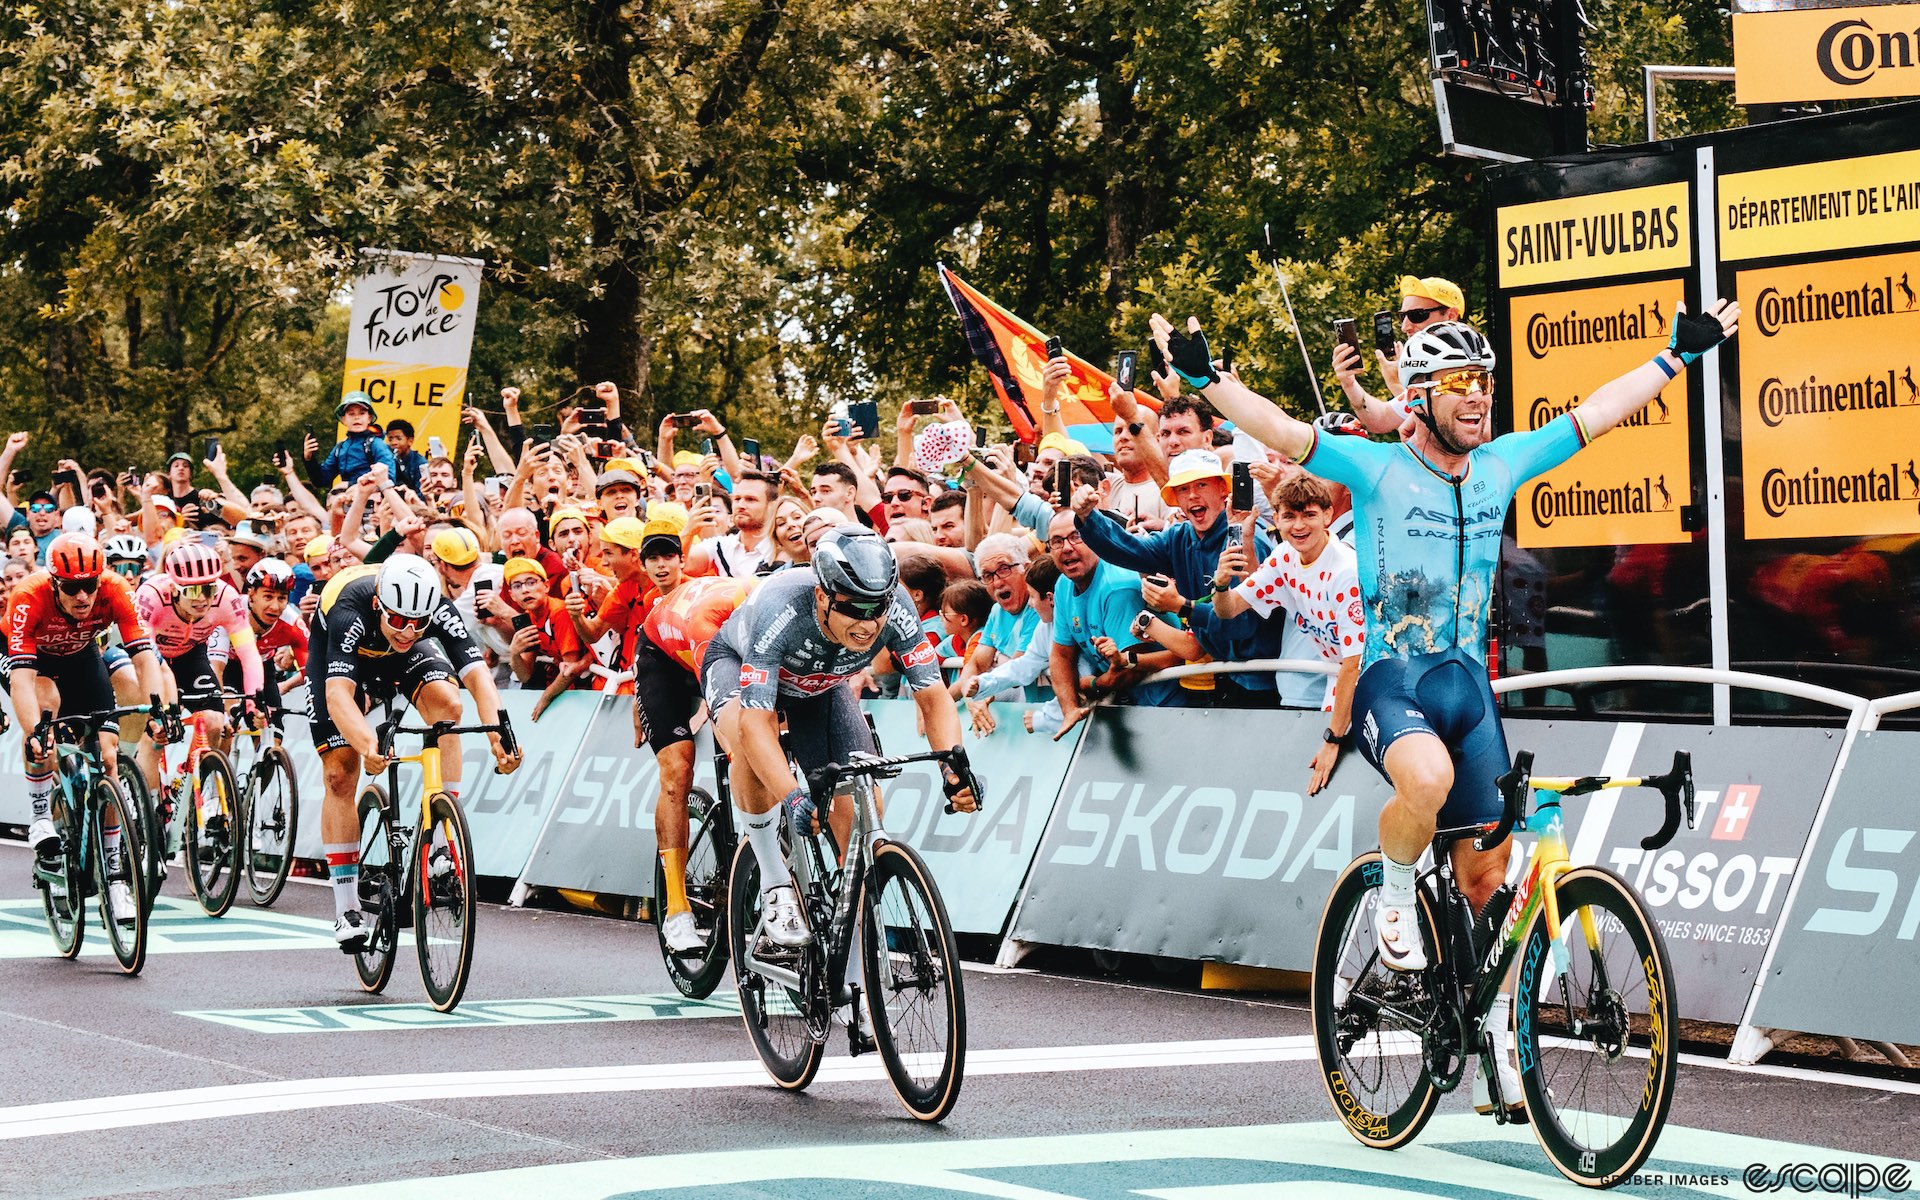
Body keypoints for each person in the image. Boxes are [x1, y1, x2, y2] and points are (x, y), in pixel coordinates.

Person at [1151, 302, 1737, 1115]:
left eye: (1485, 382)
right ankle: (1393, 891)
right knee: (1421, 778)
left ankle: (1484, 1030)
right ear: (1420, 396)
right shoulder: (1378, 469)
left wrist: (1675, 358)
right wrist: (1205, 382)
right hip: (1393, 682)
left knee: (1487, 881)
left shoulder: (1501, 464)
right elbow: (1284, 430)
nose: (1477, 397)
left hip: (1469, 692)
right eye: (1458, 383)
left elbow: (1597, 414)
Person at [703, 527, 977, 973]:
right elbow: (756, 726)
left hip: (821, 688)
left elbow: (933, 696)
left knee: (861, 822)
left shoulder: (897, 610)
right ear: (822, 596)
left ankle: (853, 979)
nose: (869, 624)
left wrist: (954, 767)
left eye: (878, 608)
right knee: (747, 744)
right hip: (739, 669)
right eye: (853, 608)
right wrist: (793, 796)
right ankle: (775, 885)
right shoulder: (782, 609)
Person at [309, 553, 521, 948]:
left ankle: (441, 840)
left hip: (399, 662)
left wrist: (497, 735)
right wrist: (366, 744)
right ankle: (346, 908)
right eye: (400, 621)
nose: (409, 630)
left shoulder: (433, 610)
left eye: (418, 623)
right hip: (342, 658)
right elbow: (338, 695)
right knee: (340, 771)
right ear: (380, 605)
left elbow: (477, 676)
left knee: (450, 705)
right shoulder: (350, 610)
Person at [1147, 474, 1363, 794]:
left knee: (1342, 772)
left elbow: (1354, 664)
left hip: (1364, 674)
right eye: (1289, 516)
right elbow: (1229, 609)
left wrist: (1333, 739)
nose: (1299, 526)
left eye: (1309, 515)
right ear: (1275, 519)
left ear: (1328, 515)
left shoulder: (1345, 571)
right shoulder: (1284, 558)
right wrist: (1221, 584)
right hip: (1334, 673)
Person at [7, 535, 168, 924]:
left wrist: (159, 710)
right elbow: (23, 681)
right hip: (33, 664)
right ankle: (42, 814)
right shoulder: (28, 597)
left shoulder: (116, 589)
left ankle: (114, 879)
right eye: (72, 588)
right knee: (45, 715)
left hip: (81, 658)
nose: (83, 597)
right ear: (53, 583)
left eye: (89, 586)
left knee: (108, 760)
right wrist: (34, 733)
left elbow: (145, 657)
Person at [1070, 448, 1285, 707]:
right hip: (1223, 679)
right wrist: (1087, 517)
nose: (1192, 495)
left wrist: (1179, 606)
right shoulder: (1180, 536)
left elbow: (1239, 626)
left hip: (1264, 682)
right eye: (1183, 489)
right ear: (1175, 499)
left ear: (1222, 490)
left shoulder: (1247, 537)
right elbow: (1128, 550)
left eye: (1201, 485)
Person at [634, 573, 756, 951]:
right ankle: (676, 909)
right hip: (664, 657)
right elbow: (726, 718)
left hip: (713, 652)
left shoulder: (770, 616)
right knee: (678, 767)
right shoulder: (712, 623)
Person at [134, 542, 266, 822]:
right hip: (149, 658)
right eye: (193, 590)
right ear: (173, 588)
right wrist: (163, 707)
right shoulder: (152, 595)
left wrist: (255, 699)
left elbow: (248, 653)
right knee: (158, 731)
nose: (202, 599)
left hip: (188, 655)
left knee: (216, 722)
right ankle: (148, 809)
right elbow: (147, 658)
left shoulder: (226, 598)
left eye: (208, 588)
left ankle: (203, 795)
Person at [1045, 507, 1178, 735]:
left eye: (1076, 537)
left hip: (1169, 707)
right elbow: (1061, 654)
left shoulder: (1118, 586)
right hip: (1126, 708)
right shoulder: (1062, 585)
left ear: (1095, 539)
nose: (1067, 548)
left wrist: (1094, 684)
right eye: (1057, 541)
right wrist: (1070, 709)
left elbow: (1128, 672)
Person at [1332, 275, 1467, 435]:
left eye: (1417, 315)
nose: (1405, 327)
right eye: (1403, 316)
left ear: (1451, 315)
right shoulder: (1426, 373)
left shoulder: (1475, 363)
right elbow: (1381, 420)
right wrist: (1349, 382)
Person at [306, 392, 398, 488]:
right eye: (351, 414)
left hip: (371, 500)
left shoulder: (376, 444)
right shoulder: (340, 448)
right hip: (347, 499)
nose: (357, 417)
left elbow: (388, 479)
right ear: (343, 419)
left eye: (362, 413)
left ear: (369, 418)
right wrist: (309, 458)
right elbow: (321, 481)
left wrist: (350, 485)